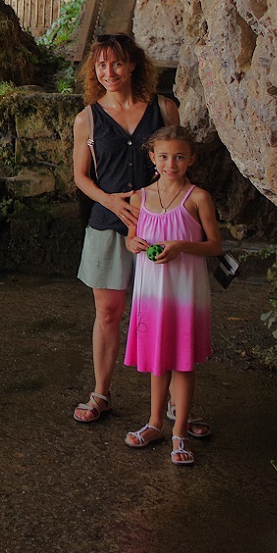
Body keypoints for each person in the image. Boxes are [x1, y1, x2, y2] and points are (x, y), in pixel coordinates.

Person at [71, 33, 179, 424]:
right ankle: (101, 393)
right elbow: (81, 177)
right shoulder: (88, 118)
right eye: (101, 65)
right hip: (108, 223)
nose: (109, 72)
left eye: (116, 63)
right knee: (108, 311)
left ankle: (170, 400)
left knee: (162, 312)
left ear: (132, 64)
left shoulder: (164, 109)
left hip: (157, 223)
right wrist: (109, 199)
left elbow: (178, 164)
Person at [121, 125, 222, 465]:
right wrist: (131, 243)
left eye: (179, 157)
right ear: (152, 158)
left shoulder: (198, 198)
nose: (171, 163)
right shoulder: (140, 197)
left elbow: (214, 246)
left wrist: (182, 246)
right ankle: (153, 423)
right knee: (157, 361)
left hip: (183, 292)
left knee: (182, 361)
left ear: (191, 159)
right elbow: (131, 238)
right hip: (150, 293)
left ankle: (179, 431)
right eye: (163, 156)